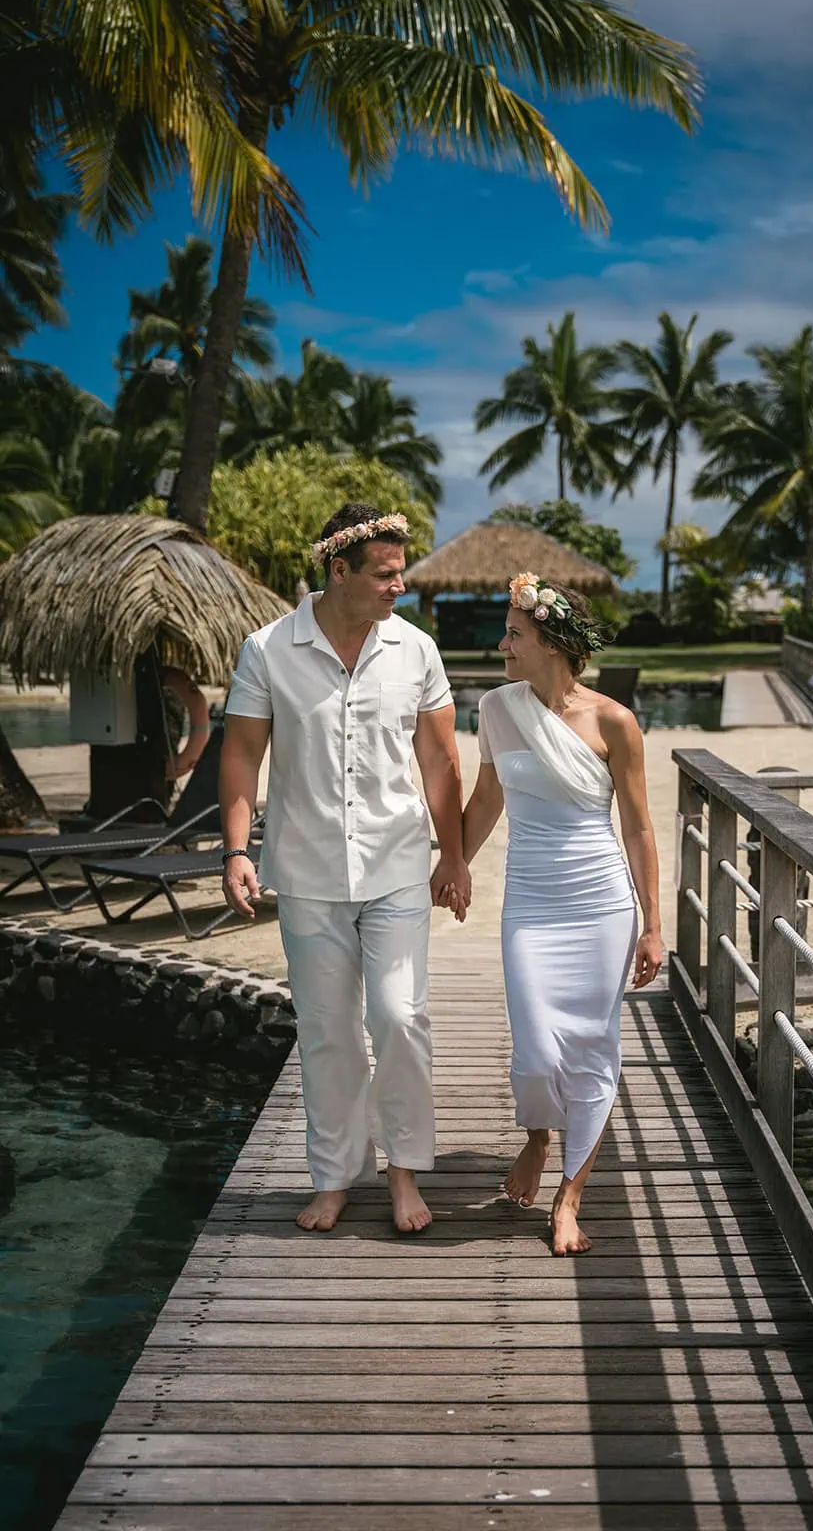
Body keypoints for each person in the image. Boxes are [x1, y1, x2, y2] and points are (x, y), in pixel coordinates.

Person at [219, 503, 471, 1234]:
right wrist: (237, 848)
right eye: (384, 575)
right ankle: (332, 1177)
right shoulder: (268, 649)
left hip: (396, 865)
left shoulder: (417, 650)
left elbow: (440, 761)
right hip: (303, 871)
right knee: (327, 1030)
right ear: (339, 570)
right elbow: (241, 753)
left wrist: (452, 854)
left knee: (399, 1016)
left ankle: (402, 1174)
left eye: (401, 574)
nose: (399, 587)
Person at [461, 573, 663, 1256]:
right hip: (529, 901)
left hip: (601, 903)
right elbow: (486, 798)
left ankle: (569, 1197)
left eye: (514, 633)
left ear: (552, 644)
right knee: (535, 1047)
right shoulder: (496, 708)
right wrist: (450, 863)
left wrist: (654, 925)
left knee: (590, 1047)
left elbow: (637, 829)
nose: (502, 644)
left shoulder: (613, 721)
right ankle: (538, 1140)